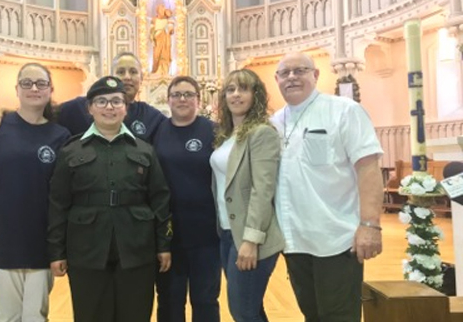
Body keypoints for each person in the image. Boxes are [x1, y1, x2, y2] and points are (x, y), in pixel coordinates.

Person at [47, 76, 172, 322]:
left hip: (136, 247)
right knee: (91, 314)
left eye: (116, 101)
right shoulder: (71, 150)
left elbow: (160, 199)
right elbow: (58, 203)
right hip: (86, 249)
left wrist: (164, 245)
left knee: (135, 314)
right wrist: (56, 251)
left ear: (126, 108)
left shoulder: (144, 150)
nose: (110, 107)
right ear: (90, 108)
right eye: (102, 101)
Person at [270, 52, 384, 322]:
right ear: (277, 80)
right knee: (311, 313)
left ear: (316, 74)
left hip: (336, 237)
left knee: (338, 315)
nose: (292, 77)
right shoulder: (274, 122)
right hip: (294, 239)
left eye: (300, 70)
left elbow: (368, 168)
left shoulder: (344, 110)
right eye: (284, 73)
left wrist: (370, 224)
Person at [0, 63, 71, 321]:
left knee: (36, 316)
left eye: (41, 83)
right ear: (17, 89)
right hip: (0, 241)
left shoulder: (61, 136)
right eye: (27, 83)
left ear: (50, 90)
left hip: (42, 242)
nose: (34, 88)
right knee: (7, 315)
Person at [209, 69, 284, 322]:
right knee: (248, 308)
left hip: (251, 236)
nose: (236, 95)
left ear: (256, 95)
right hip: (228, 233)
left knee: (243, 311)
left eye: (243, 89)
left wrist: (251, 240)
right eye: (230, 90)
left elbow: (263, 190)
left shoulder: (261, 133)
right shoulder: (227, 135)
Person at [0, 52, 166, 142]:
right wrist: (5, 111)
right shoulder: (78, 107)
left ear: (142, 78)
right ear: (109, 75)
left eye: (133, 72)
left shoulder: (151, 116)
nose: (127, 77)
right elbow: (41, 114)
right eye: (121, 71)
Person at [152, 76, 221, 322]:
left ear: (198, 99)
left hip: (207, 234)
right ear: (168, 99)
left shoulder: (214, 131)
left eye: (188, 94)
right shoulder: (157, 130)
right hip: (168, 235)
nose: (182, 99)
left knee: (205, 299)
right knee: (170, 301)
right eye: (177, 94)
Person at [151, 4, 174, 75]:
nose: (162, 11)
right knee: (157, 56)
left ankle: (165, 71)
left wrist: (170, 29)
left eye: (163, 10)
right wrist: (153, 37)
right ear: (158, 11)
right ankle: (157, 70)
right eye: (161, 10)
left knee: (165, 55)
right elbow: (151, 31)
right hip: (157, 39)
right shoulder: (154, 20)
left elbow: (171, 30)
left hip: (165, 40)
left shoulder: (168, 20)